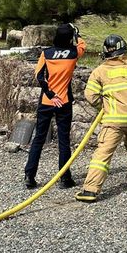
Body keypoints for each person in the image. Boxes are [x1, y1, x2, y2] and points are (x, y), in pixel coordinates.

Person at [75, 35, 127, 203]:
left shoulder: (100, 71)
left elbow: (90, 95)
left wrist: (104, 106)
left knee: (103, 154)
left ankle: (91, 190)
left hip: (115, 120)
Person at [24, 23, 86, 190]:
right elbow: (82, 45)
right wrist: (77, 34)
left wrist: (51, 94)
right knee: (64, 141)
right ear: (69, 37)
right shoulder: (73, 54)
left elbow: (39, 76)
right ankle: (65, 178)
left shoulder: (46, 53)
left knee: (38, 138)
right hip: (64, 102)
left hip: (47, 101)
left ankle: (30, 176)